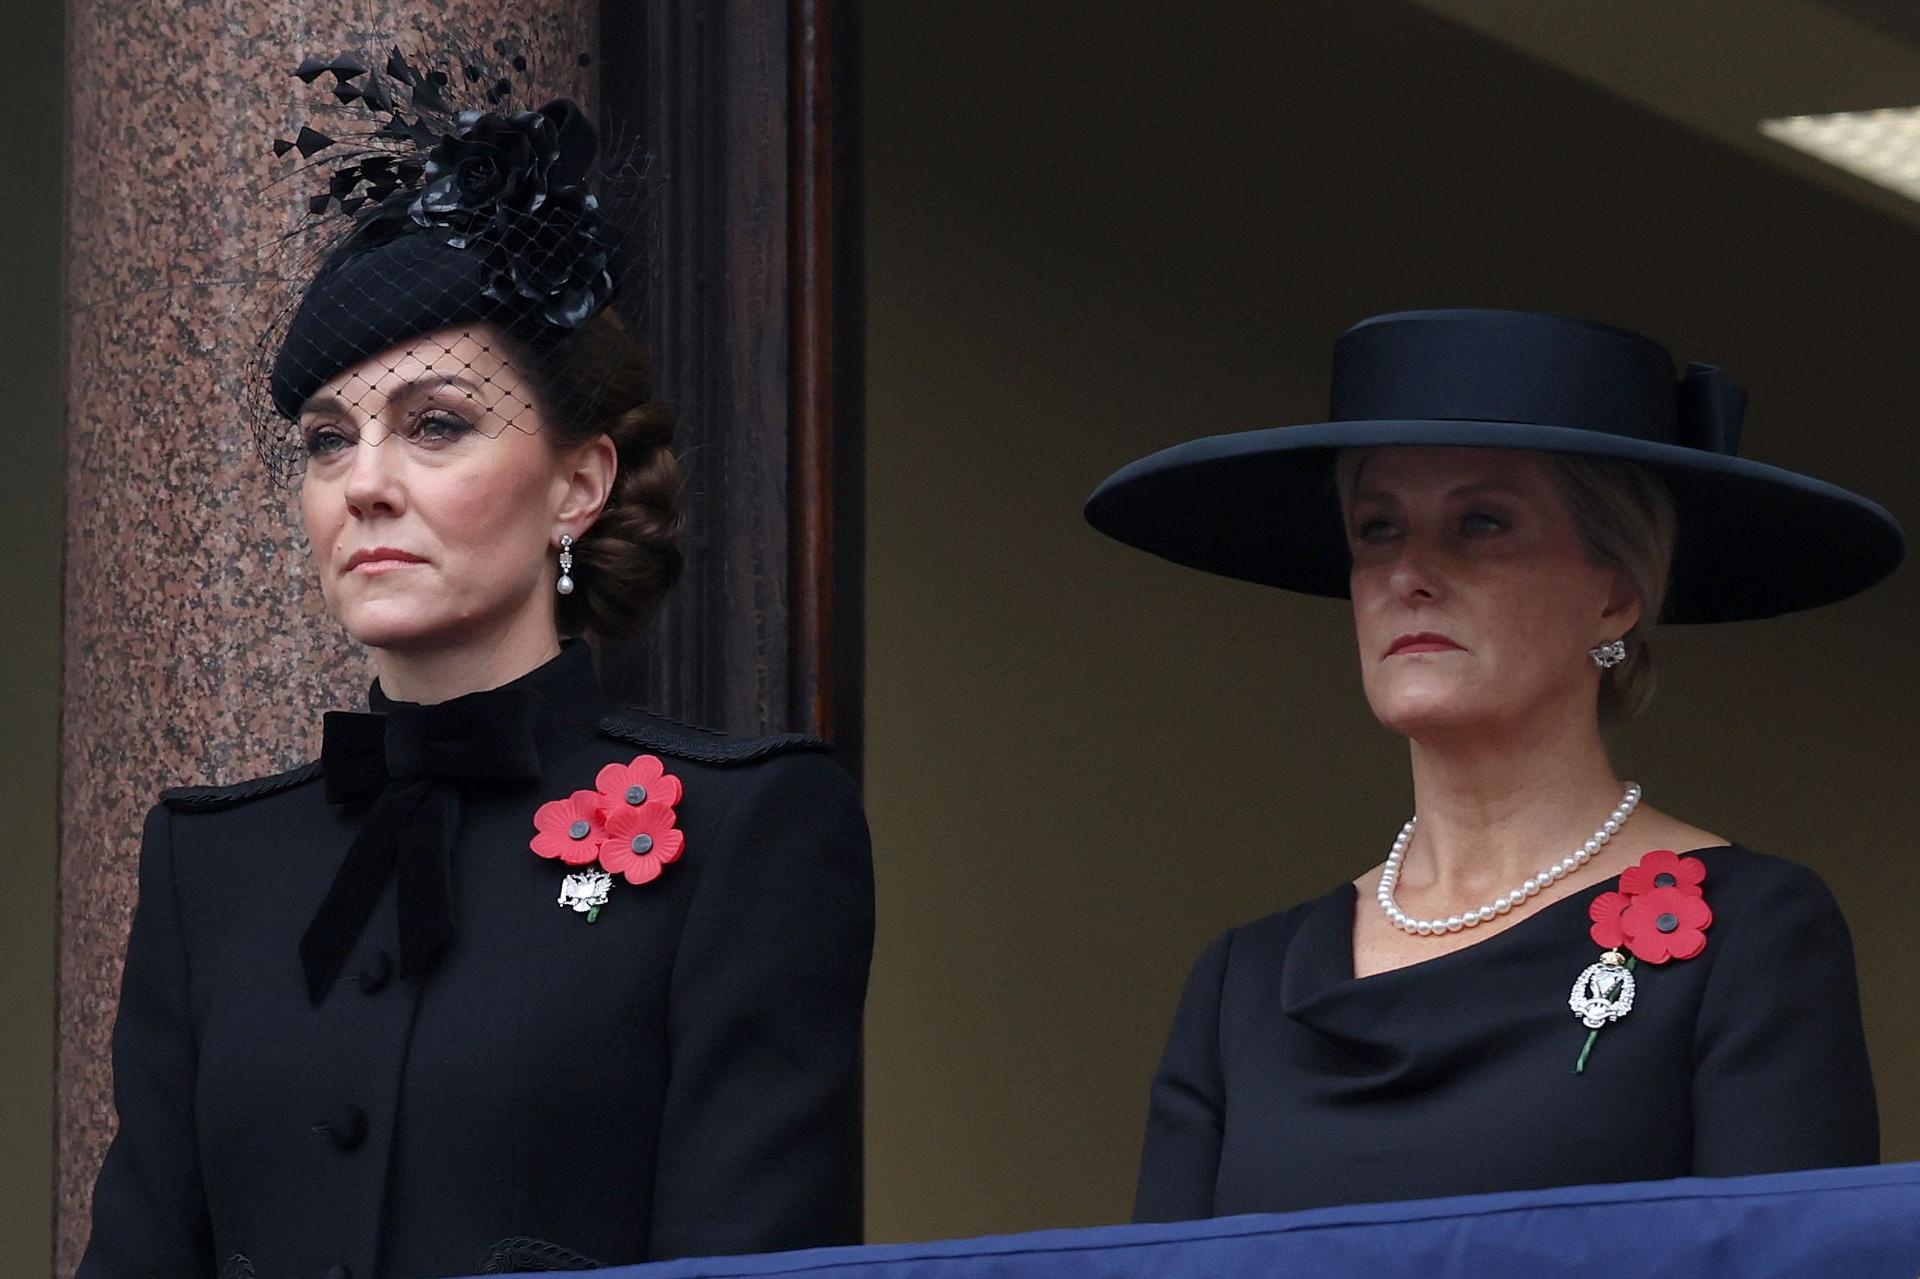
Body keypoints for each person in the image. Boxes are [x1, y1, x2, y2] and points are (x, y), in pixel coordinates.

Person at [79, 50, 873, 1279]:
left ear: (577, 484)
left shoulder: (748, 828)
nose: (366, 483)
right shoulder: (210, 864)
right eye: (327, 442)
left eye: (435, 424)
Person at [1085, 308, 1903, 1220]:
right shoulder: (1241, 984)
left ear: (1616, 593)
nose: (1411, 573)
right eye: (1377, 528)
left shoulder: (1751, 933)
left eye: (1480, 522)